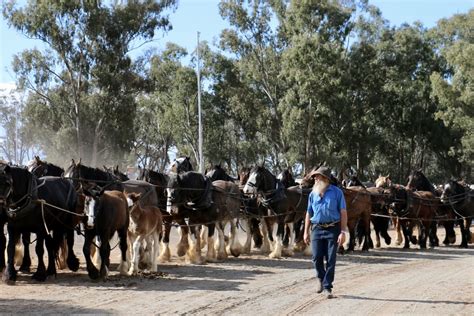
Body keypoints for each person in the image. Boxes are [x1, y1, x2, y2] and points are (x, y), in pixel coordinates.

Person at [304, 166, 347, 299]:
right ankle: (320, 279)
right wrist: (306, 231)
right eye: (315, 177)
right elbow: (308, 213)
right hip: (316, 228)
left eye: (317, 176)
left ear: (325, 179)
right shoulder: (312, 194)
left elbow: (343, 212)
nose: (315, 179)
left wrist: (343, 231)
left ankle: (327, 287)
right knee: (316, 258)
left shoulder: (337, 193)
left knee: (330, 259)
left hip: (332, 229)